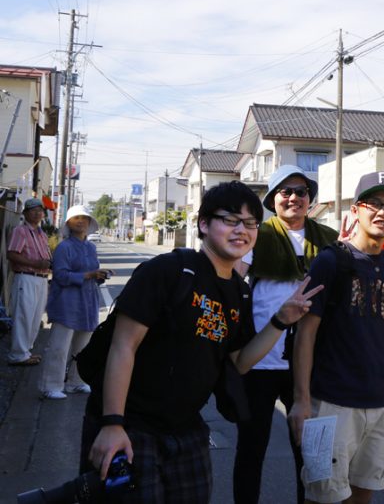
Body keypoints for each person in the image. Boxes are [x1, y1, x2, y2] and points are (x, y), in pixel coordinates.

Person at [83, 181, 323, 502]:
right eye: (230, 220)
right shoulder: (168, 271)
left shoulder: (238, 292)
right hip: (132, 424)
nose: (242, 230)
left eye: (251, 223)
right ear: (204, 224)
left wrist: (281, 319)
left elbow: (240, 361)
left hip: (187, 428)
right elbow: (123, 346)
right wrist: (113, 423)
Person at [288, 171, 384, 504]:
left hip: (381, 402)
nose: (383, 212)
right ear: (356, 210)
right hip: (331, 404)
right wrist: (301, 399)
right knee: (321, 496)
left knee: (363, 495)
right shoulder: (330, 261)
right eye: (375, 203)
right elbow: (305, 334)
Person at [233, 165, 339, 504]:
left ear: (310, 199)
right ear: (273, 199)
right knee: (252, 449)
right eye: (285, 192)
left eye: (301, 192)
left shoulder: (329, 239)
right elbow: (233, 282)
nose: (294, 197)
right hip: (262, 359)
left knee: (310, 453)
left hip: (310, 364)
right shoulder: (257, 235)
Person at [39, 205, 109, 399]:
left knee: (84, 346)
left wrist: (99, 276)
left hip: (87, 301)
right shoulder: (64, 247)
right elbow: (60, 276)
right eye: (76, 218)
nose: (81, 221)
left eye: (84, 218)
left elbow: (92, 272)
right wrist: (89, 274)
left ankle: (76, 382)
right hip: (66, 301)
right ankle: (50, 385)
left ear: (89, 223)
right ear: (68, 223)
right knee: (59, 346)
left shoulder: (91, 247)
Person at [6, 197, 52, 366]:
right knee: (24, 315)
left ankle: (26, 351)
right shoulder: (20, 231)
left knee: (35, 317)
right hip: (26, 277)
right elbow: (12, 254)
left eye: (40, 210)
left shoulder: (42, 234)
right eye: (33, 210)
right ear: (25, 213)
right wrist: (36, 263)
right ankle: (17, 354)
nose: (38, 213)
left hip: (41, 279)